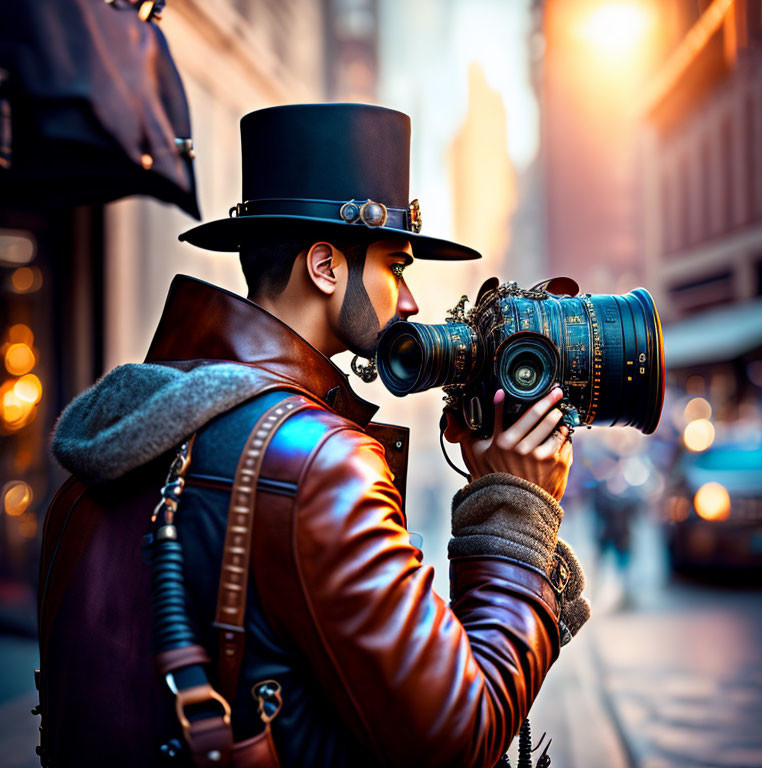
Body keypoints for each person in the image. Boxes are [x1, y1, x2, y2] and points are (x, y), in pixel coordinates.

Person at [38, 104, 588, 768]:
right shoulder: (319, 459)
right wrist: (513, 509)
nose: (409, 301)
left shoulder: (125, 423)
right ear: (326, 267)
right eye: (397, 266)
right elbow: (457, 738)